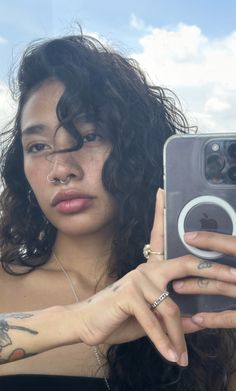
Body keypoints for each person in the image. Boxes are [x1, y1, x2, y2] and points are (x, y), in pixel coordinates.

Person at [0, 29, 236, 391]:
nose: (61, 169)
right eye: (37, 146)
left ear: (134, 150)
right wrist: (76, 320)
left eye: (90, 136)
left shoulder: (204, 303)